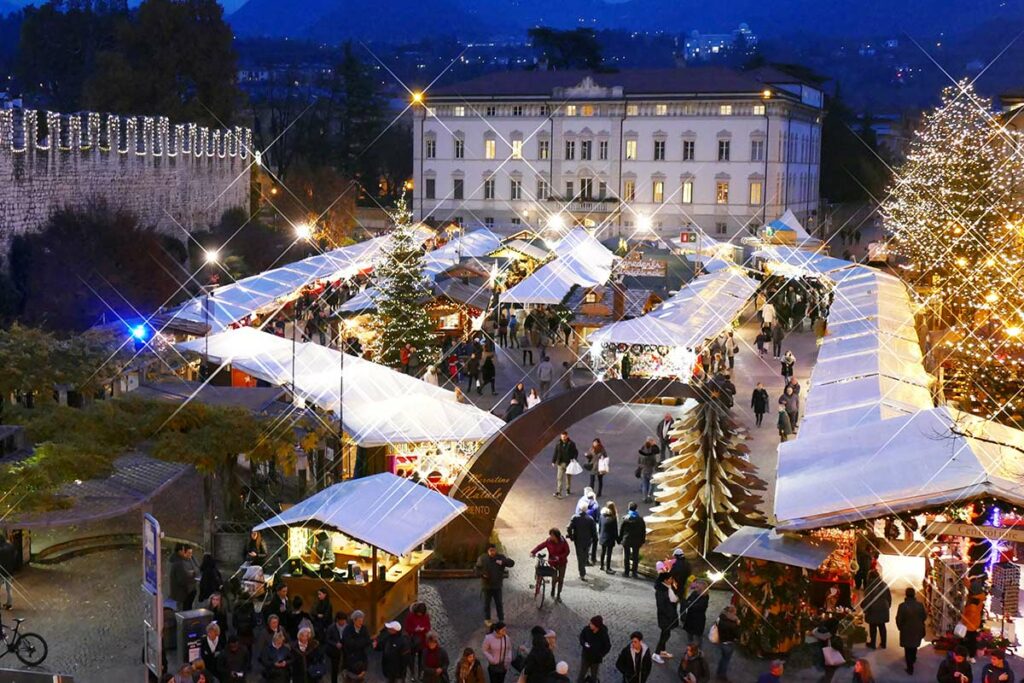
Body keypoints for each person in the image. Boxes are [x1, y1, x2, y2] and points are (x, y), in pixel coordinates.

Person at [476, 544, 515, 624]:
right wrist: (482, 574)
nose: (492, 552)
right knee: (487, 604)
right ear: (488, 551)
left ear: (495, 550)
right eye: (491, 551)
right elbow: (476, 569)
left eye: (493, 550)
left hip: (497, 586)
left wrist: (502, 562)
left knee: (499, 603)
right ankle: (487, 619)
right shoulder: (482, 558)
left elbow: (511, 563)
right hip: (486, 586)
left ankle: (501, 619)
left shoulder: (500, 557)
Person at [531, 529, 570, 602]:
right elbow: (540, 546)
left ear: (556, 536)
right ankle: (553, 589)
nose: (551, 537)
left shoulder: (563, 542)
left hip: (562, 563)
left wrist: (560, 557)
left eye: (552, 535)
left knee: (561, 579)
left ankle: (558, 595)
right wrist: (533, 552)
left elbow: (567, 551)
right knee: (554, 578)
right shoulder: (549, 541)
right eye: (550, 535)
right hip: (553, 563)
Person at [895, 587, 927, 675]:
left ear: (906, 594)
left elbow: (898, 619)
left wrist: (901, 628)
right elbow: (924, 617)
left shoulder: (902, 606)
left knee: (907, 647)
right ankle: (913, 658)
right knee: (914, 645)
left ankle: (910, 668)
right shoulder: (920, 605)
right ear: (914, 594)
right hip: (917, 629)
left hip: (906, 630)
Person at [653, 568, 678, 664]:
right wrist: (669, 613)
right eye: (670, 578)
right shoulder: (661, 591)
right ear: (665, 580)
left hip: (669, 615)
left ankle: (662, 651)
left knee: (666, 634)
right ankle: (656, 654)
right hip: (665, 616)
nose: (672, 580)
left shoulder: (668, 587)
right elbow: (661, 605)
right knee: (664, 635)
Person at [567, 502, 598, 581]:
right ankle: (583, 568)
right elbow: (594, 531)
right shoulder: (590, 519)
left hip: (578, 540)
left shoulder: (575, 518)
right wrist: (594, 538)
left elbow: (569, 527)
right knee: (585, 554)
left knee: (580, 556)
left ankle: (582, 572)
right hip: (587, 540)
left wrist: (571, 537)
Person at [862, 571, 891, 650]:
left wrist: (865, 609)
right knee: (882, 626)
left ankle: (873, 643)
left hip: (873, 608)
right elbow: (889, 597)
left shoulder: (869, 586)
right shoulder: (884, 584)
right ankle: (883, 643)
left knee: (873, 626)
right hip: (883, 607)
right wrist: (888, 606)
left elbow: (867, 599)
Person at [578, 615, 611, 683]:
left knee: (594, 676)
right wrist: (584, 643)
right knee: (581, 674)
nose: (589, 624)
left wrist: (601, 654)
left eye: (591, 624)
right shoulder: (587, 629)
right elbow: (581, 637)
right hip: (586, 657)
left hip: (596, 659)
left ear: (596, 626)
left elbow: (608, 646)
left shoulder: (603, 634)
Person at [343, 610, 374, 681]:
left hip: (361, 660)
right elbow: (349, 644)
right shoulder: (348, 629)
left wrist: (358, 643)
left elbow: (368, 642)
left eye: (362, 621)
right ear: (354, 620)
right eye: (359, 621)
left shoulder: (364, 629)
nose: (361, 623)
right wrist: (361, 642)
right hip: (350, 660)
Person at [619, 502, 647, 578]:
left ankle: (626, 572)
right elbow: (643, 531)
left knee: (627, 556)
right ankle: (634, 572)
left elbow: (621, 530)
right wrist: (642, 540)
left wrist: (620, 539)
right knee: (635, 557)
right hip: (636, 541)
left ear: (629, 508)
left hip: (627, 540)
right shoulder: (640, 519)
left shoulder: (625, 518)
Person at [405, 602, 431, 681]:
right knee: (411, 658)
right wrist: (414, 630)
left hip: (423, 642)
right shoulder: (410, 616)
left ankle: (420, 674)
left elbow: (428, 627)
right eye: (418, 613)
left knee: (422, 659)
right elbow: (407, 628)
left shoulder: (425, 617)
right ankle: (413, 674)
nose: (419, 615)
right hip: (413, 641)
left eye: (421, 613)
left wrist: (423, 629)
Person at [713, 604, 740, 681]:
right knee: (726, 661)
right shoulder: (733, 624)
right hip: (728, 644)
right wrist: (738, 625)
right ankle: (722, 676)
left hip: (721, 641)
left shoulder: (721, 618)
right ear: (733, 612)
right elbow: (737, 635)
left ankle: (718, 672)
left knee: (722, 658)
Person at [170, 543, 199, 611]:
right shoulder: (178, 563)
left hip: (190, 591)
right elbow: (182, 579)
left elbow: (197, 568)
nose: (190, 555)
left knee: (189, 607)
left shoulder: (191, 558)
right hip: (183, 594)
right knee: (183, 611)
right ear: (180, 551)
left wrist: (192, 573)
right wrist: (192, 576)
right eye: (184, 551)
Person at [681, 581, 709, 646]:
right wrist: (689, 603)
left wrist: (690, 604)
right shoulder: (694, 593)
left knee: (697, 638)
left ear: (701, 588)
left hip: (698, 620)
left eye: (697, 586)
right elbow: (687, 601)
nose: (695, 587)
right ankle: (690, 649)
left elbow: (697, 606)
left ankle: (697, 652)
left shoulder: (705, 597)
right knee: (689, 634)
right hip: (690, 617)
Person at [552, 432, 579, 498]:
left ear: (567, 436)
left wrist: (574, 459)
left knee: (568, 478)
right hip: (560, 463)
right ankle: (559, 492)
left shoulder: (571, 444)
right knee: (559, 478)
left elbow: (576, 452)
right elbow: (556, 452)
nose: (563, 438)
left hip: (569, 464)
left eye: (564, 437)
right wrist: (553, 461)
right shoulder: (558, 443)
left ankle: (568, 490)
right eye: (562, 437)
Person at [325, 612, 348, 683]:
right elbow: (327, 639)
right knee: (335, 668)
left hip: (345, 650)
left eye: (344, 620)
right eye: (342, 621)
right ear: (337, 620)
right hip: (334, 651)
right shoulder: (331, 628)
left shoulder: (348, 627)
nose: (343, 622)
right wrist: (335, 644)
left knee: (345, 668)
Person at [962, 591, 984, 660]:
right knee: (972, 642)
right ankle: (971, 655)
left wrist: (963, 621)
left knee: (967, 642)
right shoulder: (979, 605)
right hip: (974, 626)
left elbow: (969, 617)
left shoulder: (972, 607)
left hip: (969, 627)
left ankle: (968, 656)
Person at [637, 438, 659, 504]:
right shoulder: (651, 455)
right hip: (651, 471)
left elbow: (639, 462)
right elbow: (654, 463)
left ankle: (644, 497)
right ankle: (649, 495)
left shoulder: (642, 454)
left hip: (644, 470)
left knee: (644, 484)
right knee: (651, 484)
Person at [599, 502, 619, 574]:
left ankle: (601, 565)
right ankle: (608, 568)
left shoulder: (602, 516)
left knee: (603, 551)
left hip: (602, 536)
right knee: (609, 553)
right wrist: (618, 540)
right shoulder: (613, 518)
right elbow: (615, 530)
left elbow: (600, 526)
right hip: (610, 538)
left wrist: (600, 534)